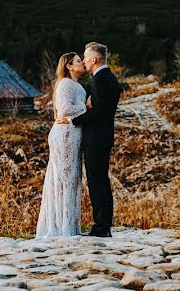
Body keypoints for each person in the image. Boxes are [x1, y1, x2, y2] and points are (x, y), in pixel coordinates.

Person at [58, 41, 122, 237]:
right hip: (100, 138)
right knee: (100, 181)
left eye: (85, 57)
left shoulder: (101, 80)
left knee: (97, 183)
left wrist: (72, 119)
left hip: (96, 139)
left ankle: (101, 227)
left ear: (94, 59)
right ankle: (103, 225)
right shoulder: (104, 78)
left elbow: (100, 112)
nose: (84, 61)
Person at [35, 52, 88, 238]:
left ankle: (69, 226)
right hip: (64, 134)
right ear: (69, 66)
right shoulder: (65, 83)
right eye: (78, 61)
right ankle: (61, 228)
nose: (82, 63)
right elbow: (64, 110)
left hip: (74, 133)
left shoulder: (78, 86)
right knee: (64, 178)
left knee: (72, 178)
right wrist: (86, 107)